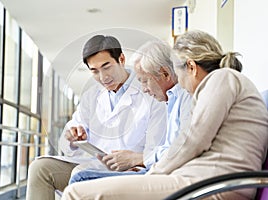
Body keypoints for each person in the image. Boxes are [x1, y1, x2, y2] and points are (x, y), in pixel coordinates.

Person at [61, 30, 268, 200]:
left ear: (191, 67)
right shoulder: (223, 82)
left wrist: (152, 174)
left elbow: (193, 141)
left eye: (179, 75)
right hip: (203, 180)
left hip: (212, 184)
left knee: (76, 192)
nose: (180, 84)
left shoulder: (222, 79)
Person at [26, 35, 167, 200]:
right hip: (95, 164)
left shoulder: (150, 91)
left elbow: (158, 147)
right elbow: (67, 141)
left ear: (121, 59)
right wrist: (72, 137)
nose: (103, 77)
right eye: (95, 71)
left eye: (106, 67)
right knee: (40, 168)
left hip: (131, 170)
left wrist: (134, 160)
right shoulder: (91, 96)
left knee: (81, 175)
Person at [68, 40, 192, 184]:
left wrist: (137, 159)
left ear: (165, 74)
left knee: (81, 178)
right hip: (152, 169)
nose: (144, 88)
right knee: (76, 173)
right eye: (95, 71)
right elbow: (169, 147)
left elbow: (182, 149)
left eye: (145, 81)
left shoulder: (184, 97)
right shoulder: (171, 99)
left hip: (165, 175)